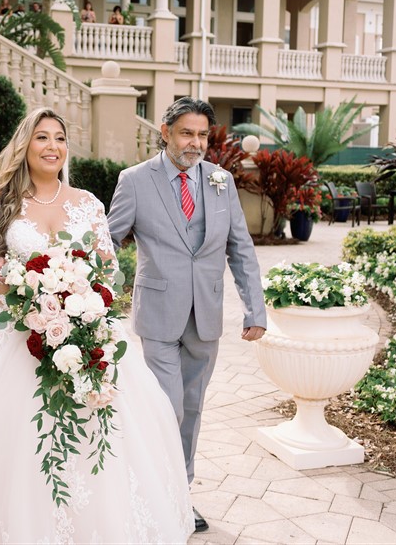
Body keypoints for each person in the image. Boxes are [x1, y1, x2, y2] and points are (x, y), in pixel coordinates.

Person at [0, 107, 193, 543]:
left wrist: (80, 302)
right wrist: (25, 301)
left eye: (59, 138)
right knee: (12, 436)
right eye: (42, 137)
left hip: (81, 327)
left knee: (100, 428)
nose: (52, 146)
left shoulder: (87, 203)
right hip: (12, 329)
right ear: (25, 145)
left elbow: (108, 268)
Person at [106, 96, 268, 534]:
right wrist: (94, 295)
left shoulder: (221, 180)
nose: (195, 143)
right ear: (165, 133)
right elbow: (108, 243)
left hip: (207, 314)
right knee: (168, 407)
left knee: (192, 409)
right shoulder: (135, 181)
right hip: (159, 313)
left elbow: (240, 248)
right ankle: (155, 491)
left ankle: (180, 493)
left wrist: (254, 309)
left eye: (202, 135)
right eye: (186, 134)